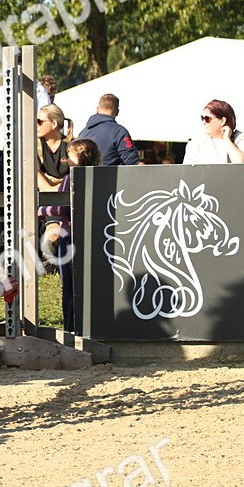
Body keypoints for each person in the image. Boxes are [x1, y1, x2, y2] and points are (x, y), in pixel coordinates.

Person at [39, 139, 101, 334]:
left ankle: (70, 326)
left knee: (69, 284)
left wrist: (42, 209)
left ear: (79, 157)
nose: (65, 159)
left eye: (70, 155)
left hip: (69, 235)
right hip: (92, 234)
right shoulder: (100, 175)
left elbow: (59, 207)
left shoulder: (69, 178)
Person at [184, 100, 244, 164]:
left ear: (222, 121)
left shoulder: (240, 138)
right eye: (202, 118)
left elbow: (243, 164)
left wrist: (227, 139)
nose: (203, 122)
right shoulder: (198, 140)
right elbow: (187, 170)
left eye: (207, 118)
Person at [77, 93, 141, 166]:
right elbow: (132, 161)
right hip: (112, 176)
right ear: (117, 112)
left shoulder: (83, 133)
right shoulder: (119, 132)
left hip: (86, 176)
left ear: (97, 109)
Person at [36, 104, 73, 191]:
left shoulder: (72, 146)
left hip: (68, 197)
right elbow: (33, 172)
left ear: (54, 124)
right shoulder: (34, 145)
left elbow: (78, 173)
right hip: (43, 200)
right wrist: (52, 189)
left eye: (39, 121)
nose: (36, 125)